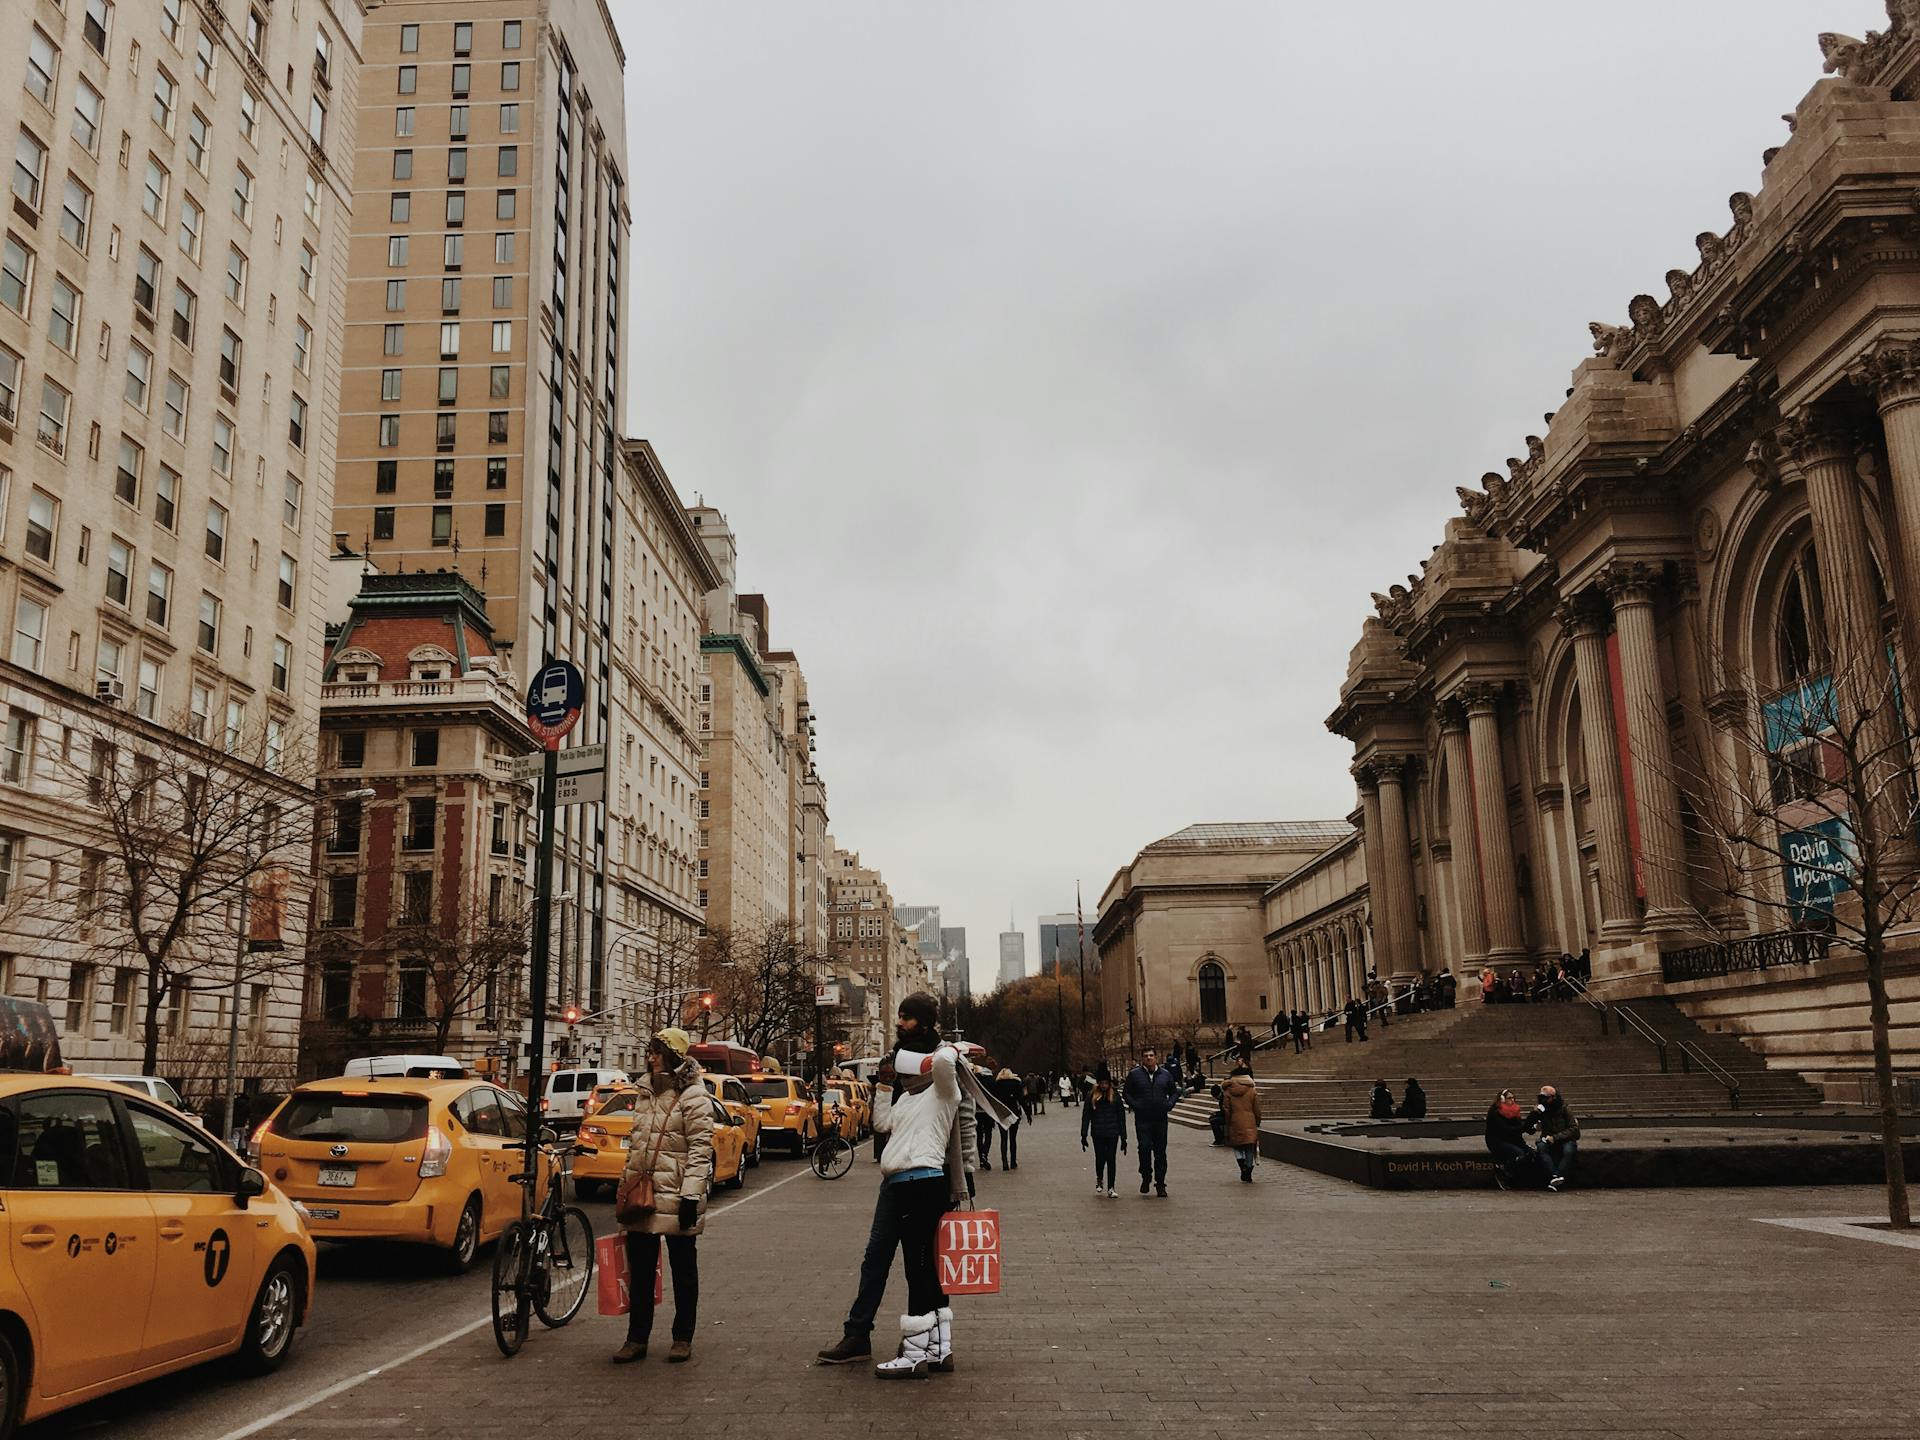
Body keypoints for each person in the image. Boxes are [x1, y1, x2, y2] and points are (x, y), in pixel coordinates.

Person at [816, 993, 1003, 1376]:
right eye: (898, 1016)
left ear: (924, 1024)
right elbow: (882, 1125)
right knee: (880, 1259)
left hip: (924, 1182)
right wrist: (885, 1085)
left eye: (906, 1018)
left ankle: (920, 1351)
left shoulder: (943, 1086)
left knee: (920, 1266)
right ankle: (924, 1345)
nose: (899, 1024)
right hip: (895, 1183)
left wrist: (951, 1049)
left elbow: (952, 1089)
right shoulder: (908, 1093)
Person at [613, 1028, 713, 1365]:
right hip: (644, 1195)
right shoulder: (644, 1092)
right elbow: (636, 1146)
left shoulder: (693, 1095)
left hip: (678, 1195)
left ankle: (682, 1337)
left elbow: (701, 1150)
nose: (651, 1057)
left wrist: (691, 1196)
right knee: (639, 1272)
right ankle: (636, 1338)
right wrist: (624, 1185)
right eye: (650, 1051)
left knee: (683, 1269)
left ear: (672, 1055)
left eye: (657, 1052)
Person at [1121, 1045, 1177, 1196]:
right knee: (1144, 1148)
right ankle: (1146, 1176)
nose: (1149, 1058)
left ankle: (1160, 1183)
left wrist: (1169, 1104)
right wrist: (1135, 1105)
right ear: (1142, 1059)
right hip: (1143, 1118)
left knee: (1160, 1152)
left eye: (1151, 1055)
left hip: (1160, 1118)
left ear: (1156, 1057)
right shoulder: (1134, 1075)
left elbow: (1174, 1092)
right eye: (1146, 1056)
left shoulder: (1165, 1074)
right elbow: (1127, 1093)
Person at [1080, 1069, 1127, 1196]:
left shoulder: (1115, 1095)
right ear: (1098, 1083)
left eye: (1106, 1083)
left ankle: (1111, 1187)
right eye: (1102, 1083)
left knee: (1111, 1159)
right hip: (1098, 1132)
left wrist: (1124, 1137)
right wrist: (1083, 1134)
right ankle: (1100, 1178)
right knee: (1100, 1158)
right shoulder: (1092, 1095)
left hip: (1112, 1132)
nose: (1104, 1086)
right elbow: (1086, 1116)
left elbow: (1121, 1116)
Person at [1484, 1088, 1542, 1187]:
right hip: (1498, 1141)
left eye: (1513, 1098)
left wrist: (1534, 1125)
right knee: (1519, 1154)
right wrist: (1531, 1117)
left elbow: (1524, 1129)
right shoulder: (1495, 1112)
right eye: (1509, 1098)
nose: (1512, 1100)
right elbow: (1508, 1130)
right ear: (1502, 1099)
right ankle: (1503, 1172)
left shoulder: (1514, 1111)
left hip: (1514, 1141)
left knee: (1532, 1154)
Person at [1220, 1062, 1262, 1183]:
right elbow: (1257, 1109)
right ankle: (1248, 1170)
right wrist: (1257, 1120)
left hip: (1235, 1120)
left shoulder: (1228, 1091)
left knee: (1237, 1146)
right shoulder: (1252, 1090)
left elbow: (1226, 1109)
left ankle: (1242, 1165)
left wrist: (1227, 1123)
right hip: (1250, 1120)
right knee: (1249, 1146)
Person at [1534, 1085, 1579, 1191]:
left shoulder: (1564, 1108)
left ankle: (1556, 1178)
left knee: (1568, 1150)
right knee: (1541, 1147)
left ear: (1553, 1097)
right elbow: (1533, 1127)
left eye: (1546, 1098)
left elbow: (1573, 1128)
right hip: (1549, 1138)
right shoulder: (1543, 1110)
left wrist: (1555, 1137)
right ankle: (1555, 1176)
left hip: (1566, 1139)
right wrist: (1535, 1114)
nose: (1543, 1100)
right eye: (1542, 1097)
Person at [992, 1067, 1025, 1169]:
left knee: (1003, 1138)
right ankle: (1013, 1161)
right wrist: (1028, 1113)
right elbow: (1021, 1099)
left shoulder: (997, 1084)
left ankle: (1004, 1163)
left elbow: (994, 1100)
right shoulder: (1016, 1083)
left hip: (1002, 1113)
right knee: (1013, 1138)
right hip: (1014, 1112)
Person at [974, 1058, 999, 1170]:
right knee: (988, 1134)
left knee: (979, 1135)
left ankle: (980, 1159)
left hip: (977, 1111)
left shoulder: (976, 1078)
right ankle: (985, 1154)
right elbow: (994, 1098)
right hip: (988, 1112)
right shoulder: (992, 1081)